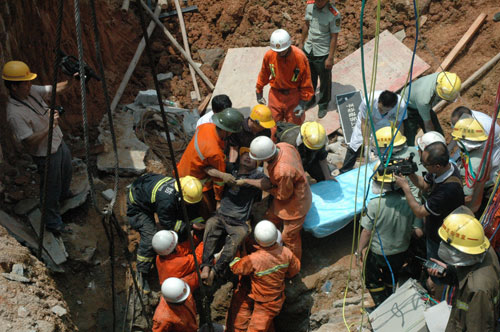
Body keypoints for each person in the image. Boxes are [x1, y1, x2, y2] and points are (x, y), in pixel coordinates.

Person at [3, 60, 74, 235]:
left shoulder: (31, 92)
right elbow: (28, 142)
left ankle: (64, 197)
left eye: (29, 81)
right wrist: (49, 127)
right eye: (25, 83)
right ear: (13, 87)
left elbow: (53, 89)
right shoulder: (14, 113)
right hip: (46, 153)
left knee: (66, 172)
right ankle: (53, 222)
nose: (29, 85)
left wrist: (72, 81)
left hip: (58, 142)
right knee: (51, 187)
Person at [394, 142, 464, 291]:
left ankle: (439, 296)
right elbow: (424, 185)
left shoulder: (447, 190)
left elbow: (419, 212)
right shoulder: (446, 170)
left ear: (437, 166)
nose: (423, 166)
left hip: (442, 239)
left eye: (425, 164)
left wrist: (406, 187)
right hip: (435, 231)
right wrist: (411, 172)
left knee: (439, 274)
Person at [356, 163, 423, 306]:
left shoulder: (375, 204)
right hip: (401, 251)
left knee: (372, 279)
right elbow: (418, 232)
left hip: (378, 252)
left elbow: (367, 232)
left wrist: (359, 251)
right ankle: (391, 297)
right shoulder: (413, 203)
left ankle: (381, 304)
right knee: (391, 276)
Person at [200, 148, 268, 286]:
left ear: (257, 163)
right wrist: (222, 175)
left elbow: (268, 184)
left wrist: (246, 182)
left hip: (239, 222)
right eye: (245, 154)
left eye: (252, 157)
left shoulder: (256, 175)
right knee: (210, 227)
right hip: (221, 215)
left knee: (234, 243)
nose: (248, 158)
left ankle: (215, 271)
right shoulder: (231, 168)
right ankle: (205, 266)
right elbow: (206, 168)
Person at [426, 207, 500, 332]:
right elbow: (469, 274)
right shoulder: (482, 248)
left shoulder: (478, 290)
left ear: (463, 251)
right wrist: (448, 273)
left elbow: (479, 327)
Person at [127, 174, 203, 293]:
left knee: (181, 219)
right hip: (138, 204)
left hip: (149, 192)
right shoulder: (166, 200)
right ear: (180, 195)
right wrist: (189, 226)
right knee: (150, 238)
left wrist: (199, 225)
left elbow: (191, 209)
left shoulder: (184, 190)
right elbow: (167, 222)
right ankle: (142, 273)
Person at [247, 136, 312, 260]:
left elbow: (283, 195)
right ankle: (273, 246)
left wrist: (267, 187)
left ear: (266, 158)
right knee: (271, 219)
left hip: (297, 203)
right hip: (291, 190)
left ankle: (294, 265)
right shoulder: (283, 146)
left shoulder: (282, 171)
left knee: (289, 236)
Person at [229, 220, 300, 332]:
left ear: (257, 240)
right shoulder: (286, 253)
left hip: (266, 303)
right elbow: (294, 270)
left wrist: (235, 254)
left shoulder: (254, 259)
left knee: (251, 328)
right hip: (271, 299)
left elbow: (236, 268)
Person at [177, 108, 243, 219]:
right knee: (205, 208)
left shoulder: (206, 126)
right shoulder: (215, 152)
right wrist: (218, 200)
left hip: (183, 168)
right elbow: (219, 182)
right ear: (228, 130)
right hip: (194, 181)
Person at [256, 29, 314, 125]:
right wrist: (259, 91)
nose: (280, 53)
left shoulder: (299, 57)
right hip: (275, 95)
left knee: (294, 126)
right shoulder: (270, 55)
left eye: (282, 51)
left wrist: (302, 103)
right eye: (277, 51)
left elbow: (306, 82)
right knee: (272, 125)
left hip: (293, 96)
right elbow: (263, 74)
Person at [340, 90, 406, 173]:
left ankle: (381, 169)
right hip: (368, 123)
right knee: (354, 146)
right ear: (379, 101)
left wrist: (398, 141)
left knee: (384, 148)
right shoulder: (368, 101)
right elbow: (364, 123)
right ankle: (344, 170)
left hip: (385, 126)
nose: (383, 112)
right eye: (381, 109)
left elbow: (399, 124)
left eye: (386, 111)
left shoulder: (401, 105)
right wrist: (367, 146)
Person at [299, 0, 341, 118]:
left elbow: (334, 37)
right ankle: (310, 99)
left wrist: (330, 57)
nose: (318, 2)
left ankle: (323, 104)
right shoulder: (310, 6)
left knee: (325, 81)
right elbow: (307, 25)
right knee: (309, 78)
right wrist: (301, 42)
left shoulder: (334, 14)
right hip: (309, 49)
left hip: (323, 52)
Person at [404, 72, 461, 145]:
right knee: (409, 137)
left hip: (419, 100)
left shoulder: (445, 79)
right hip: (408, 108)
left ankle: (441, 145)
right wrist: (434, 143)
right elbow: (428, 126)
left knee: (438, 134)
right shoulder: (424, 100)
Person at [451, 117, 494, 214]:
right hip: (479, 201)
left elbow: (468, 197)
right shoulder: (483, 154)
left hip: (468, 209)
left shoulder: (472, 164)